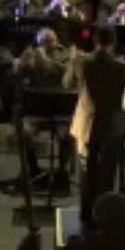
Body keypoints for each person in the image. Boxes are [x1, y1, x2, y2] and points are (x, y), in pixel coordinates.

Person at [68, 25, 125, 229]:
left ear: (95, 40)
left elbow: (68, 83)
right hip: (111, 126)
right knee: (107, 175)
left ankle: (85, 218)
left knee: (87, 173)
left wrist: (73, 60)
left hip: (87, 124)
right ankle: (105, 220)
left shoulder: (82, 62)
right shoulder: (120, 67)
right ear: (113, 43)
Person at [13, 28, 76, 191]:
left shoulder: (66, 55)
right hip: (36, 111)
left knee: (68, 135)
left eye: (51, 41)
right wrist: (21, 64)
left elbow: (65, 74)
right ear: (38, 42)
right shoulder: (32, 55)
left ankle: (62, 171)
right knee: (26, 133)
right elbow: (17, 76)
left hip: (61, 111)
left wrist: (46, 60)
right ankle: (34, 170)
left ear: (56, 41)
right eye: (43, 42)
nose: (48, 45)